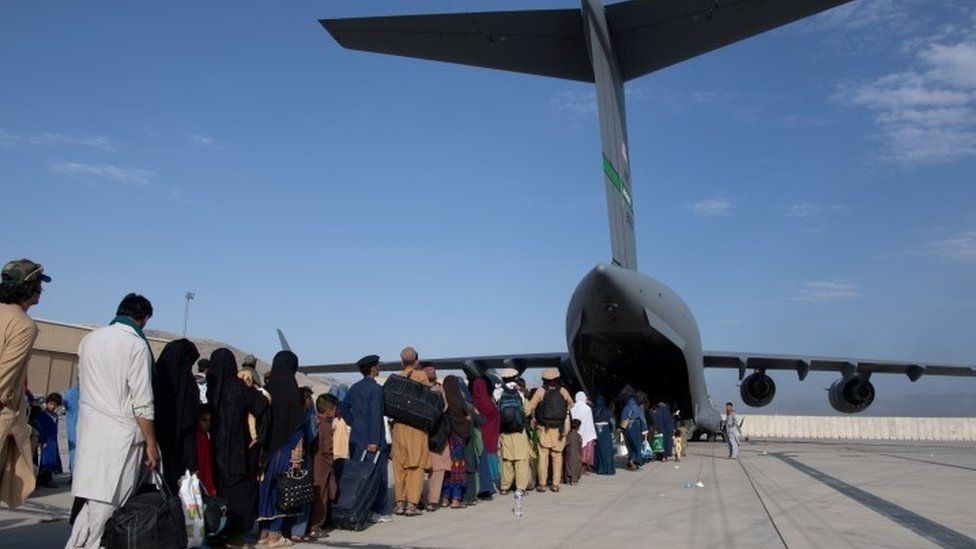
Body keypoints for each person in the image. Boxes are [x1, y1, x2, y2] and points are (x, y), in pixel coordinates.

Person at [68, 293, 158, 548]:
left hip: (90, 432)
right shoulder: (135, 344)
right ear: (143, 319)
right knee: (109, 506)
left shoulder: (89, 339)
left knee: (92, 502)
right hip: (121, 437)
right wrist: (151, 442)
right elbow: (142, 402)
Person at [0, 258, 49, 509]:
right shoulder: (23, 325)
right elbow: (3, 379)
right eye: (39, 284)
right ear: (29, 287)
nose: (41, 290)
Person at [208, 348, 268, 548]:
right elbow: (262, 407)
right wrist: (258, 437)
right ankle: (235, 536)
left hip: (216, 451)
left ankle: (220, 532)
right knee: (239, 495)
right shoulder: (239, 388)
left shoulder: (213, 388)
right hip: (237, 452)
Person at [257, 351, 306, 547]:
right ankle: (275, 535)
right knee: (283, 490)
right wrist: (298, 452)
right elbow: (297, 425)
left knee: (266, 488)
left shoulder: (267, 389)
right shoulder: (292, 391)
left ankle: (263, 532)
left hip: (266, 450)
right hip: (285, 448)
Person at [340, 354, 390, 523]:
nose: (379, 368)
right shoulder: (375, 389)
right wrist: (374, 441)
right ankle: (378, 511)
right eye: (378, 365)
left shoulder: (354, 388)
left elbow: (344, 408)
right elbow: (376, 416)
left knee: (358, 476)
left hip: (357, 439)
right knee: (378, 476)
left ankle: (360, 507)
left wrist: (354, 423)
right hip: (372, 442)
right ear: (373, 368)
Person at [152, 338, 201, 494]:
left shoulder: (153, 379)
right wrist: (193, 465)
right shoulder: (187, 387)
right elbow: (188, 426)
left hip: (149, 448)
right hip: (175, 454)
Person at [391, 347, 431, 517]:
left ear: (401, 361)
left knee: (399, 465)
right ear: (416, 361)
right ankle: (412, 505)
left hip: (399, 426)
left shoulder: (397, 377)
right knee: (416, 466)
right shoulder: (421, 376)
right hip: (416, 427)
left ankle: (399, 503)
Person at [525, 369, 573, 493]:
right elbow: (571, 404)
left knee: (543, 457)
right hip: (559, 429)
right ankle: (555, 485)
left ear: (544, 379)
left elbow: (530, 407)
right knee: (557, 457)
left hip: (544, 429)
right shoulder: (562, 391)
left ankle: (542, 484)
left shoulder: (541, 391)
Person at [495, 368, 530, 495]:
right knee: (521, 460)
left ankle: (505, 486)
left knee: (506, 460)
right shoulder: (520, 393)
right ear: (515, 378)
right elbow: (527, 411)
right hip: (519, 430)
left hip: (505, 430)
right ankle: (520, 487)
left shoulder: (498, 392)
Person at [309, 394, 338, 541]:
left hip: (313, 462)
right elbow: (327, 449)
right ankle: (316, 526)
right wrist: (331, 463)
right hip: (322, 465)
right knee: (322, 495)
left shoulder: (313, 421)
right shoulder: (326, 426)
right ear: (329, 411)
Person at [440, 375, 470, 509]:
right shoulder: (459, 400)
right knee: (457, 468)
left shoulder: (443, 402)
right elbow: (468, 417)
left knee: (447, 469)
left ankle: (445, 498)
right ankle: (456, 499)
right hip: (459, 440)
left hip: (446, 441)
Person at [424, 365, 450, 512]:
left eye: (433, 369)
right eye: (428, 370)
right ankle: (416, 499)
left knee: (438, 468)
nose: (432, 371)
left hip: (435, 434)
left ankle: (432, 500)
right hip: (422, 433)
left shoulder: (440, 389)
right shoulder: (418, 389)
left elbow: (445, 407)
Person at [469, 375, 498, 500]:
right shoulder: (489, 402)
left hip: (478, 434)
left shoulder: (472, 402)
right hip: (491, 433)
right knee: (490, 456)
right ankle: (491, 482)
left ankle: (481, 484)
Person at [35, 393, 64, 487]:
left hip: (53, 441)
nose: (52, 406)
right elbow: (40, 428)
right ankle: (43, 479)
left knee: (52, 458)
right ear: (47, 403)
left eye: (54, 405)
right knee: (46, 460)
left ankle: (47, 478)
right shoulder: (43, 415)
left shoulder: (55, 415)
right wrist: (41, 440)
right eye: (51, 404)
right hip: (46, 441)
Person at [570, 391, 597, 473]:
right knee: (585, 452)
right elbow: (589, 423)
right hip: (586, 433)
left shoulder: (572, 407)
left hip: (575, 432)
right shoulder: (588, 409)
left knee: (575, 451)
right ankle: (583, 469)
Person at [195, 404, 217, 497]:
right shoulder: (201, 438)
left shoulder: (204, 437)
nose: (207, 424)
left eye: (209, 421)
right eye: (204, 420)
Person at [620, 395, 647, 471]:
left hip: (627, 428)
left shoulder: (626, 408)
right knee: (637, 445)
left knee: (629, 445)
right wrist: (644, 429)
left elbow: (622, 419)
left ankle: (631, 460)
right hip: (635, 427)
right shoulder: (637, 408)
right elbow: (642, 419)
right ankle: (634, 461)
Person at [591, 396, 615, 475]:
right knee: (607, 451)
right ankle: (608, 469)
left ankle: (599, 468)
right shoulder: (608, 411)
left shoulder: (593, 411)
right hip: (605, 432)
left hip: (596, 431)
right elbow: (612, 423)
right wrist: (612, 431)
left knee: (598, 450)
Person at [63, 385, 79, 473]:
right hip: (74, 426)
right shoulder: (72, 393)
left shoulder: (70, 393)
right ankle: (74, 472)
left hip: (74, 426)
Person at [562, 419, 583, 485]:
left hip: (569, 453)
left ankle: (568, 479)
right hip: (577, 455)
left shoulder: (569, 435)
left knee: (568, 466)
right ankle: (574, 480)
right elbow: (580, 445)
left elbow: (565, 444)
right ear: (578, 427)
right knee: (576, 466)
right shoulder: (578, 436)